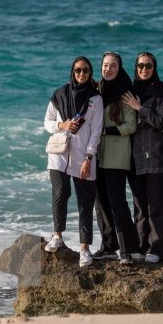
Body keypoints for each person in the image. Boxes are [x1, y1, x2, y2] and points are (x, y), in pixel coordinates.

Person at [43, 56, 104, 267]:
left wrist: (89, 157)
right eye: (78, 70)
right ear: (72, 71)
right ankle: (57, 235)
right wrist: (62, 125)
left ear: (90, 73)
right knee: (60, 193)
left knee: (85, 203)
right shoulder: (60, 94)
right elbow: (47, 121)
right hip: (59, 154)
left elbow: (96, 131)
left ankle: (84, 249)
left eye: (85, 71)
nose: (81, 74)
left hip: (83, 156)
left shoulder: (95, 98)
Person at [122, 52, 163, 263]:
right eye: (140, 65)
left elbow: (161, 121)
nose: (144, 69)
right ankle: (140, 247)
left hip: (155, 157)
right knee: (139, 205)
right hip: (134, 157)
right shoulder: (130, 91)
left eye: (148, 65)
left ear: (154, 67)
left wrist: (139, 108)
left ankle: (157, 249)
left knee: (156, 205)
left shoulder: (161, 92)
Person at [93, 52, 139, 265]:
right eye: (105, 65)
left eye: (112, 66)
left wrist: (106, 132)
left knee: (117, 202)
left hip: (117, 156)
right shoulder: (98, 91)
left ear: (119, 68)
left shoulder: (125, 93)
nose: (108, 69)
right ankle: (108, 246)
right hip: (97, 156)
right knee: (100, 202)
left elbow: (131, 125)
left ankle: (128, 249)